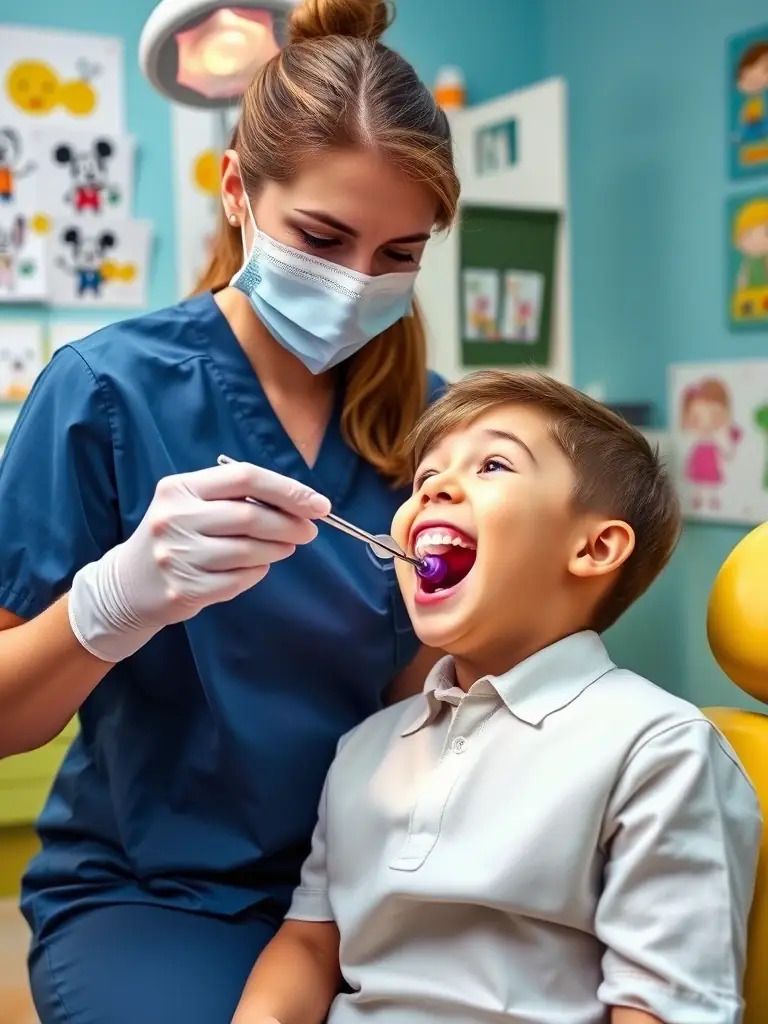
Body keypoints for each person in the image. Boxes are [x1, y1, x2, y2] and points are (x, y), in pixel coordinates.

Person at [0, 1, 459, 1020]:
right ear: (237, 190)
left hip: (370, 880)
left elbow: (434, 692)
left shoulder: (438, 429)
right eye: (323, 236)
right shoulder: (104, 392)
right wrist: (110, 604)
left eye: (398, 254)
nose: (353, 283)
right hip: (155, 894)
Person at [232, 370, 762, 1024]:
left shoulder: (658, 750)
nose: (436, 489)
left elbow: (661, 1006)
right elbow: (312, 945)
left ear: (595, 547)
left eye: (492, 464)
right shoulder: (364, 747)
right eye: (424, 479)